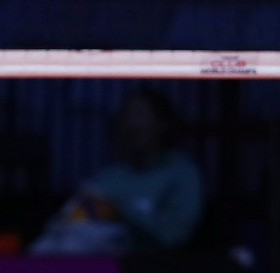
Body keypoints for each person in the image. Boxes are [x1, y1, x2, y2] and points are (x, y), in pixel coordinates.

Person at [27, 86, 203, 256]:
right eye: (127, 114)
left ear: (163, 124)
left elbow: (173, 236)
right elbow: (73, 219)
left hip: (142, 267)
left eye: (139, 113)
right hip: (77, 250)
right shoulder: (110, 176)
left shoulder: (182, 174)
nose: (131, 123)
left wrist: (121, 210)